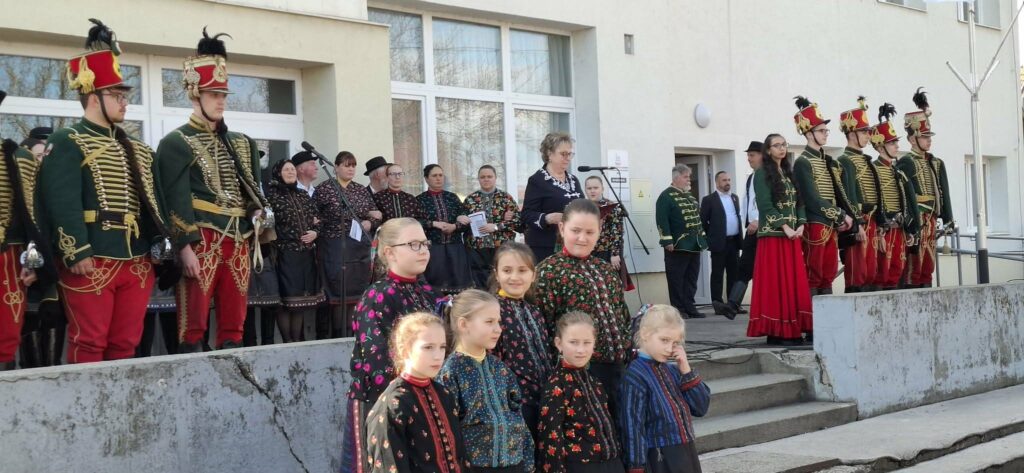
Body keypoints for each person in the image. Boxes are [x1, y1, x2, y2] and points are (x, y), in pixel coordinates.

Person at [36, 20, 170, 363]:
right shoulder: (67, 141)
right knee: (90, 341)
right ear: (93, 97)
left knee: (126, 343)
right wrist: (76, 250)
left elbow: (152, 202)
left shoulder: (138, 149)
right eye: (117, 96)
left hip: (136, 260)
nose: (125, 103)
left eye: (125, 96)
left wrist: (158, 242)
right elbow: (60, 201)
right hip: (92, 257)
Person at [155, 28, 269, 352]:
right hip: (201, 240)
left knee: (235, 323)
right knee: (193, 325)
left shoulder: (242, 142)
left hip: (239, 239)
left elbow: (251, 193)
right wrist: (184, 247)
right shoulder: (176, 142)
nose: (221, 101)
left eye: (223, 94)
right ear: (195, 95)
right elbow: (173, 199)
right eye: (213, 94)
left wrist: (256, 212)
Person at [342, 217, 442, 473]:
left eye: (425, 243)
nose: (423, 250)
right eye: (413, 244)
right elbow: (377, 362)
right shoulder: (377, 296)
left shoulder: (427, 292)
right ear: (389, 252)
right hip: (383, 402)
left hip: (422, 396)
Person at [535, 198, 631, 421]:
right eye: (575, 230)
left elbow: (622, 315)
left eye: (590, 232)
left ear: (599, 231)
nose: (582, 238)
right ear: (562, 228)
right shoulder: (548, 272)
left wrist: (627, 348)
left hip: (618, 370)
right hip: (580, 375)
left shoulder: (606, 270)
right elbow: (543, 329)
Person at [438, 289, 534, 473]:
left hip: (514, 465)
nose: (498, 329)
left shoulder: (501, 369)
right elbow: (446, 429)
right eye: (489, 322)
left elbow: (518, 415)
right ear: (463, 324)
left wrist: (528, 463)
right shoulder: (450, 372)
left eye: (498, 321)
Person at [364, 312, 468, 473]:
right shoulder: (392, 405)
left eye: (442, 347)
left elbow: (461, 458)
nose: (438, 356)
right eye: (428, 347)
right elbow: (388, 466)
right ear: (405, 350)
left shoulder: (444, 394)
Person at [620, 304, 711, 473]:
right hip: (660, 457)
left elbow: (701, 407)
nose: (669, 349)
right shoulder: (635, 376)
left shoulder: (673, 371)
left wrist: (685, 369)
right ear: (645, 334)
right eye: (664, 340)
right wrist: (636, 466)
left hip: (686, 451)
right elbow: (632, 426)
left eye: (675, 343)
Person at [746, 134, 813, 346]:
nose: (781, 148)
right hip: (774, 237)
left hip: (792, 236)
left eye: (784, 145)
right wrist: (785, 226)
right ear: (768, 150)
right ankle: (778, 330)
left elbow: (799, 202)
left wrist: (801, 224)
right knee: (777, 284)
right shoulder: (761, 173)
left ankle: (792, 328)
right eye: (776, 145)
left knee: (793, 283)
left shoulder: (787, 172)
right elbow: (765, 205)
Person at [537, 311, 624, 473]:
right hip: (580, 466)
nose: (581, 350)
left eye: (587, 343)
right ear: (559, 343)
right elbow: (550, 437)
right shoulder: (556, 385)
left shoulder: (595, 382)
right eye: (573, 342)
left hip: (612, 462)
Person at [792, 96, 859, 296]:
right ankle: (811, 315)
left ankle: (827, 314)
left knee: (828, 272)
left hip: (830, 223)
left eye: (826, 130)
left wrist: (841, 216)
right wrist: (840, 215)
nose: (825, 134)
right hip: (815, 222)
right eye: (821, 131)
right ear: (809, 134)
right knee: (814, 272)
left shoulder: (826, 160)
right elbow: (812, 199)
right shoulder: (803, 162)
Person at [312, 151, 381, 338]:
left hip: (358, 248)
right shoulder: (324, 189)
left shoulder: (360, 190)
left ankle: (353, 335)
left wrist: (370, 222)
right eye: (346, 165)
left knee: (355, 293)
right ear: (336, 167)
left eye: (353, 166)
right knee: (336, 292)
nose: (351, 169)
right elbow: (314, 217)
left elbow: (375, 214)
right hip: (334, 246)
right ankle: (336, 336)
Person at [0, 90, 46, 370]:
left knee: (6, 336)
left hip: (7, 257)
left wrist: (33, 259)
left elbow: (31, 214)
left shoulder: (20, 158)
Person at [490, 242, 552, 440]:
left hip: (544, 400)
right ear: (497, 274)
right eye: (507, 270)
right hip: (515, 405)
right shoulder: (491, 311)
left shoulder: (535, 311)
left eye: (522, 270)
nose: (515, 277)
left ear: (533, 275)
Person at [897, 88, 955, 289]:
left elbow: (944, 191)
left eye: (929, 135)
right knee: (914, 264)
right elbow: (905, 195)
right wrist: (911, 222)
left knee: (928, 263)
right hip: (917, 219)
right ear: (912, 139)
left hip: (931, 218)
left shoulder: (935, 162)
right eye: (924, 136)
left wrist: (948, 218)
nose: (929, 139)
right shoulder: (906, 162)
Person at [266, 158, 324, 343]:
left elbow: (318, 219)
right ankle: (287, 342)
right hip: (284, 254)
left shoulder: (303, 195)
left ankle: (297, 342)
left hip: (305, 254)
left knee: (300, 302)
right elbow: (269, 225)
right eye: (286, 170)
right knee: (286, 301)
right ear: (278, 173)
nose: (291, 172)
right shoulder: (272, 196)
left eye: (292, 169)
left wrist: (315, 232)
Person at [871, 104, 921, 291]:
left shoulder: (897, 171)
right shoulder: (873, 169)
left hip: (899, 228)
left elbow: (908, 201)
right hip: (883, 229)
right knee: (881, 273)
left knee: (896, 270)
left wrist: (910, 229)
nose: (897, 146)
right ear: (880, 146)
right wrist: (879, 228)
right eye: (892, 143)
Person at [837, 97, 882, 293]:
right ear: (851, 133)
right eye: (864, 132)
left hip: (871, 220)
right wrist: (858, 223)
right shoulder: (845, 160)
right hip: (859, 222)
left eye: (868, 131)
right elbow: (848, 195)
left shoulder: (866, 160)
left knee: (871, 271)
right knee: (857, 272)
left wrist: (880, 222)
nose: (868, 136)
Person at [656, 165, 708, 319]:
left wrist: (702, 237)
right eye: (686, 177)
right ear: (676, 178)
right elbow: (662, 220)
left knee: (691, 278)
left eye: (688, 177)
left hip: (694, 244)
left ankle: (690, 307)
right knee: (676, 279)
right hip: (678, 244)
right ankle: (678, 308)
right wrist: (667, 240)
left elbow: (697, 220)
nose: (688, 180)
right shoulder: (666, 196)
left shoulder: (689, 197)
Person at [522, 132, 583, 262]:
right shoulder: (537, 180)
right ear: (549, 154)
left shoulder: (573, 180)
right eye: (563, 154)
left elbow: (582, 206)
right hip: (546, 247)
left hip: (573, 244)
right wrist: (548, 218)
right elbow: (526, 215)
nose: (568, 158)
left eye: (570, 154)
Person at [418, 164, 473, 294]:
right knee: (435, 289)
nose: (438, 178)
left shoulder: (452, 198)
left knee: (458, 289)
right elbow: (415, 221)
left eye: (441, 175)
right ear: (426, 178)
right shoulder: (420, 200)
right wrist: (433, 224)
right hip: (433, 250)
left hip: (455, 249)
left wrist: (454, 226)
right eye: (434, 175)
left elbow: (466, 220)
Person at [463, 165, 520, 288]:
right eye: (483, 177)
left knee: (501, 279)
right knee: (480, 283)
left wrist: (496, 226)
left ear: (495, 178)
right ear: (478, 179)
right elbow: (463, 224)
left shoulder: (506, 198)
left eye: (489, 176)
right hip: (477, 248)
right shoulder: (470, 199)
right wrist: (461, 219)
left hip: (501, 247)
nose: (486, 179)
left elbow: (517, 221)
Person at [726, 141, 764, 315]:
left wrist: (758, 220)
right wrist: (747, 222)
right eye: (748, 155)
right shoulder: (752, 176)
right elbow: (747, 202)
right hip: (751, 229)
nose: (749, 158)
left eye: (752, 155)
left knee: (755, 267)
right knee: (745, 266)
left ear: (762, 155)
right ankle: (733, 304)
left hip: (762, 228)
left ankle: (735, 304)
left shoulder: (767, 175)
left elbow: (769, 202)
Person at [700, 171, 742, 317]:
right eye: (724, 180)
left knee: (734, 274)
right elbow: (702, 222)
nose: (727, 182)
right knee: (717, 274)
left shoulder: (734, 198)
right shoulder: (709, 200)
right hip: (719, 243)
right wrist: (710, 237)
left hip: (734, 241)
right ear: (717, 182)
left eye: (729, 180)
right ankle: (718, 304)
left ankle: (733, 304)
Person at [585, 176, 634, 291]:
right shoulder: (582, 207)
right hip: (587, 252)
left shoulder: (611, 206)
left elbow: (617, 231)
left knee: (608, 285)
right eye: (589, 188)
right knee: (591, 286)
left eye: (595, 188)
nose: (592, 191)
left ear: (602, 189)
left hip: (606, 252)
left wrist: (615, 254)